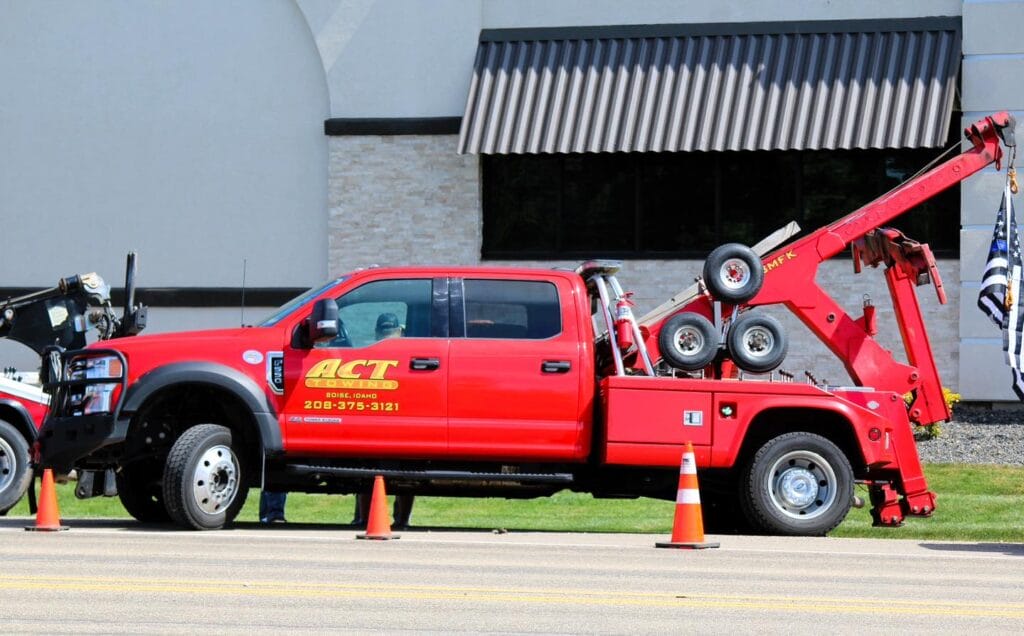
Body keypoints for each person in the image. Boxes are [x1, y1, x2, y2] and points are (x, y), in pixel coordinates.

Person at [351, 312, 415, 528]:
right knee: (368, 473)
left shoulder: (409, 354)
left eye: (392, 334)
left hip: (403, 423)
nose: (388, 338)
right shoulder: (370, 356)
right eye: (385, 334)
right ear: (377, 334)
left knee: (406, 475)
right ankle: (363, 518)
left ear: (401, 332)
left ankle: (402, 520)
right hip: (377, 423)